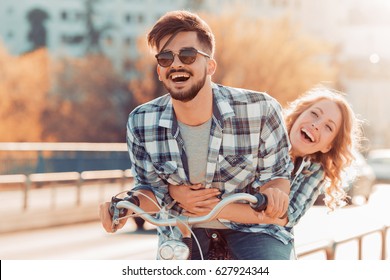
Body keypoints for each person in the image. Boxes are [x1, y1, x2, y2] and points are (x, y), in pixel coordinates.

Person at [99, 10, 293, 260]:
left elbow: (277, 177)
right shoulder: (141, 121)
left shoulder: (261, 108)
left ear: (210, 65)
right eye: (165, 58)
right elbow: (149, 189)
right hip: (184, 231)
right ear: (159, 71)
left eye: (188, 55)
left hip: (255, 231)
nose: (177, 64)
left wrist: (275, 193)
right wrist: (124, 209)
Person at [170, 86, 362, 259]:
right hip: (207, 221)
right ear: (298, 115)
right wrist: (179, 193)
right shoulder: (260, 132)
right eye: (314, 114)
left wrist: (216, 210)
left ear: (329, 146)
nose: (316, 124)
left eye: (328, 127)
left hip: (263, 231)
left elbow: (285, 216)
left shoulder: (315, 170)